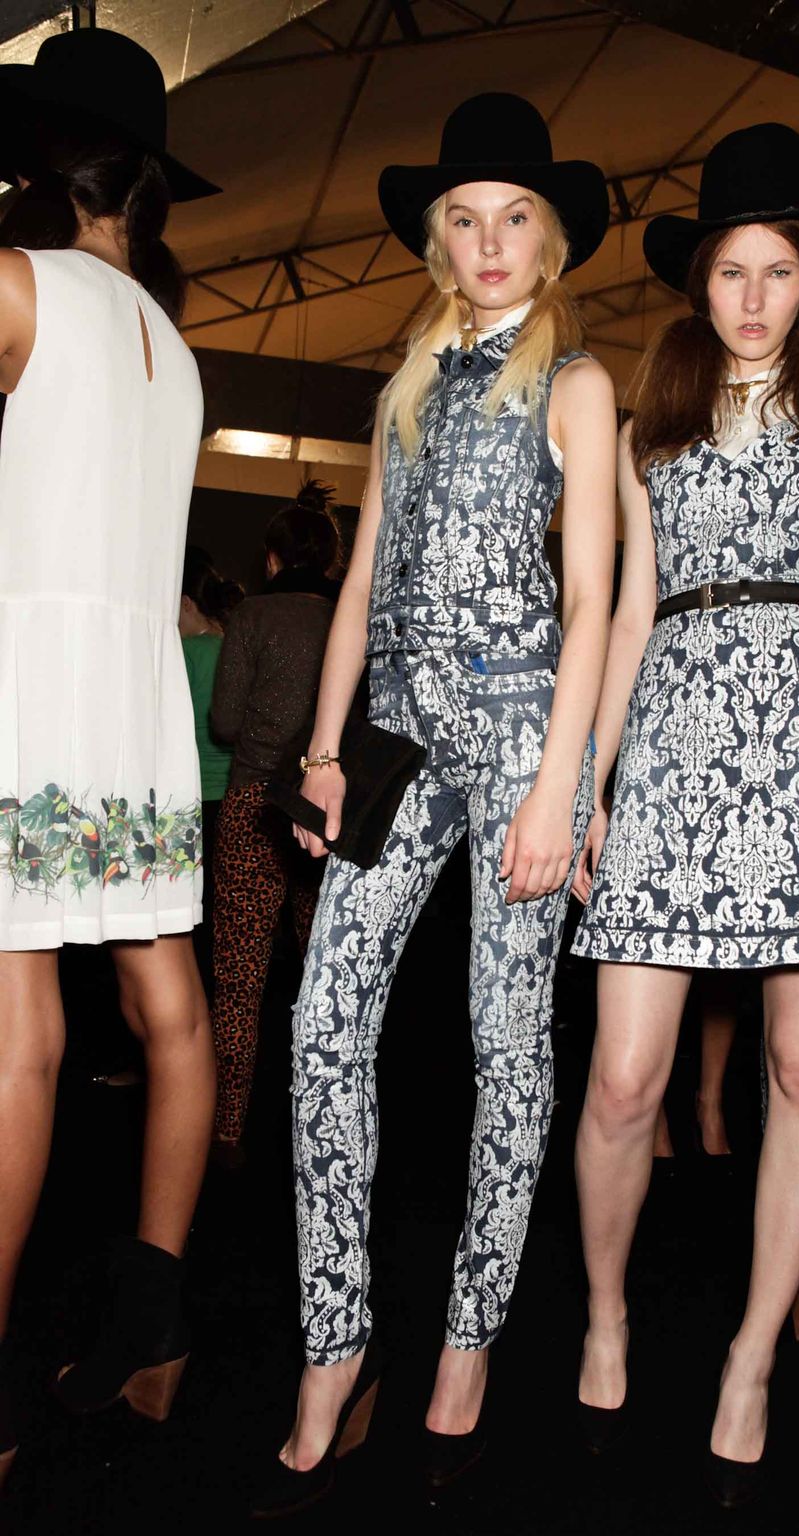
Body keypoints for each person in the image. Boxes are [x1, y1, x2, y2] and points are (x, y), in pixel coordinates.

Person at [251, 92, 615, 1517]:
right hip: (395, 735)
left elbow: (591, 602)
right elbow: (359, 586)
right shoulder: (405, 387)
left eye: (514, 217)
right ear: (437, 242)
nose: (490, 240)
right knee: (321, 1023)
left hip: (525, 728)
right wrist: (323, 747)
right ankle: (333, 1344)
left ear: (551, 238)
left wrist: (562, 788)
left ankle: (471, 1333)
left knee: (504, 1040)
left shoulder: (574, 382)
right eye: (465, 219)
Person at [569, 123, 799, 1506]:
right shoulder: (648, 416)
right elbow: (628, 613)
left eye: (778, 270)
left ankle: (752, 1358)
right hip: (669, 743)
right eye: (731, 270)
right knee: (622, 1078)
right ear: (698, 281)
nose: (755, 296)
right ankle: (604, 1315)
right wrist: (592, 785)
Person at [0, 26, 220, 1478]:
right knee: (171, 1014)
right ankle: (155, 1323)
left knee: (18, 1038)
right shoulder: (174, 346)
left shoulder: (16, 285)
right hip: (137, 717)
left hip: (26, 687)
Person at [208, 482, 341, 1161]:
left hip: (254, 808)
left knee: (239, 974)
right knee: (327, 974)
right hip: (327, 812)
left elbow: (225, 722)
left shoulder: (253, 617)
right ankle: (322, 1125)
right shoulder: (349, 618)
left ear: (270, 559)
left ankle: (226, 1128)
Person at [178, 546, 240, 1000]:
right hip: (231, 794)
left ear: (186, 602)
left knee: (189, 913)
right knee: (225, 911)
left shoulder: (181, 653)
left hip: (191, 797)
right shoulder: (232, 644)